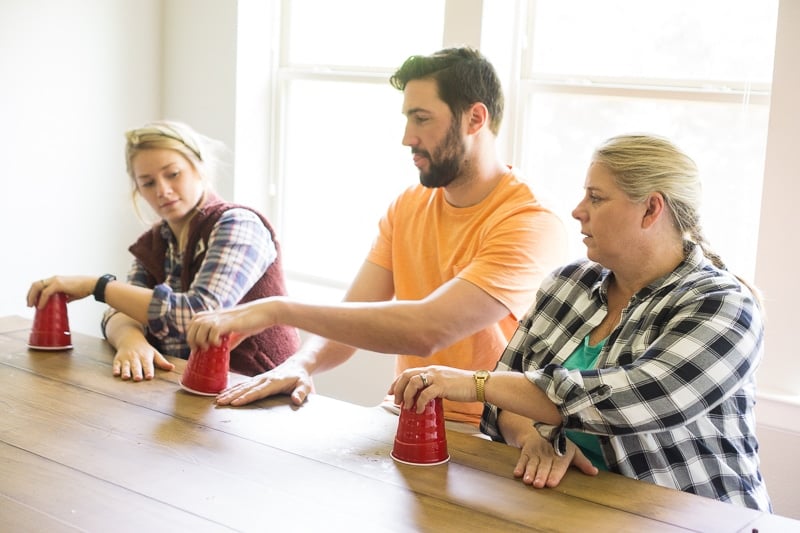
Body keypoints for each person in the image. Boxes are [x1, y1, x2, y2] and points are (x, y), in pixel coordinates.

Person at [186, 47, 569, 426]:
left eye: (422, 119)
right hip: (405, 411)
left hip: (494, 429)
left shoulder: (530, 219)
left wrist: (277, 309)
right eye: (407, 119)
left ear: (475, 118)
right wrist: (302, 363)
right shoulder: (409, 204)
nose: (407, 137)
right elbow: (356, 313)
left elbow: (427, 330)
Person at [389, 133, 771, 511]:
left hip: (703, 518)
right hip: (584, 507)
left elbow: (632, 399)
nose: (577, 210)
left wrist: (476, 384)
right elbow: (507, 402)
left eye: (596, 198)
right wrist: (533, 438)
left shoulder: (723, 305)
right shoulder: (567, 283)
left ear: (651, 210)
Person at [26, 120, 300, 380]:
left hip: (257, 387)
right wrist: (131, 341)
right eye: (148, 182)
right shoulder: (155, 241)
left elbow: (198, 316)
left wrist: (96, 286)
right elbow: (118, 310)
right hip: (188, 386)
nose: (163, 190)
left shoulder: (239, 225)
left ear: (199, 167)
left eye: (173, 174)